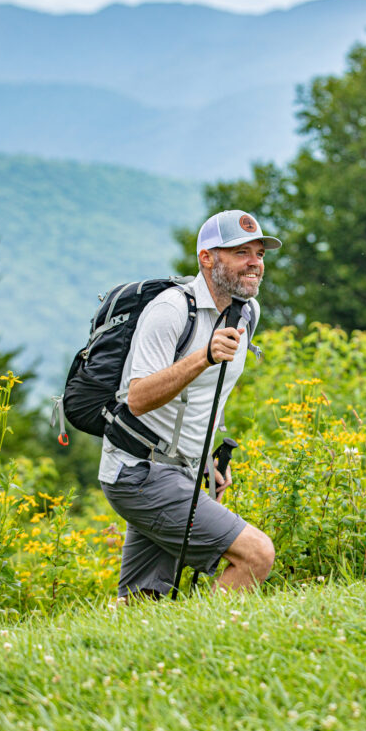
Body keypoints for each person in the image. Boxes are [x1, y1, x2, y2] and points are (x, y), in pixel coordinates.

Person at [99, 209, 281, 600]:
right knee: (256, 556)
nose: (255, 263)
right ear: (206, 258)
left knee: (144, 600)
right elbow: (138, 398)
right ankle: (203, 645)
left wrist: (205, 458)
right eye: (240, 252)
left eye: (260, 253)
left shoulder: (247, 311)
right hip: (139, 471)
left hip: (180, 469)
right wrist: (204, 356)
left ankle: (115, 655)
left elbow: (208, 395)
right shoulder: (170, 311)